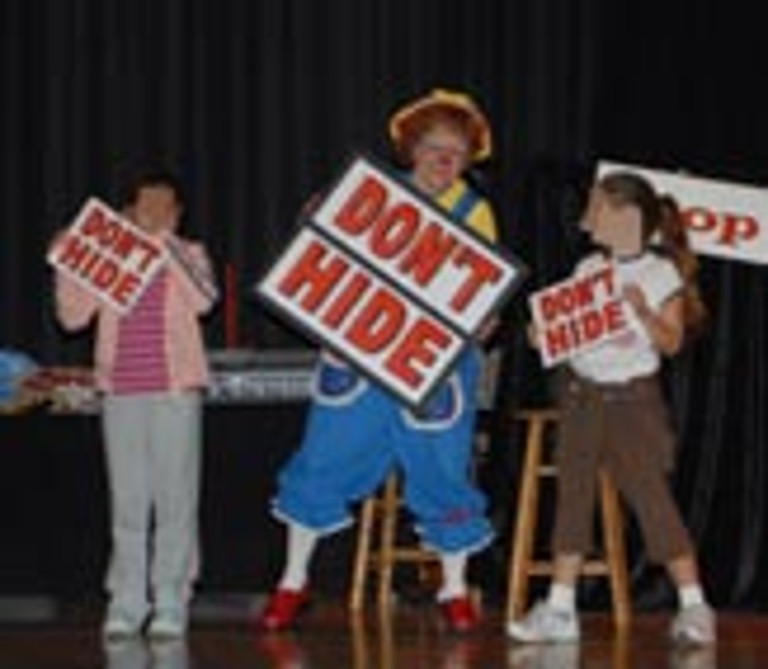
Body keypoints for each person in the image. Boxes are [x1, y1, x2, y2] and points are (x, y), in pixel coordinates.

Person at [257, 89, 499, 634]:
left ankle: (454, 589)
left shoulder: (474, 210)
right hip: (362, 352)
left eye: (456, 153)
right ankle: (292, 583)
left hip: (431, 363)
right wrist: (316, 218)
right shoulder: (371, 196)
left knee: (443, 466)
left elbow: (482, 291)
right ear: (411, 149)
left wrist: (486, 319)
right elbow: (318, 251)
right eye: (434, 148)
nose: (443, 160)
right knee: (322, 458)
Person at [507, 171, 716, 645]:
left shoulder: (659, 274)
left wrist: (642, 312)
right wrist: (542, 336)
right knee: (573, 498)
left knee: (651, 499)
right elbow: (563, 330)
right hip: (582, 396)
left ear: (627, 216)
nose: (587, 217)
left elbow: (672, 342)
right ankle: (560, 608)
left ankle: (695, 606)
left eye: (596, 207)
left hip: (631, 402)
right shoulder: (586, 269)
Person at [52, 169, 218, 640]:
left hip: (174, 392)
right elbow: (71, 316)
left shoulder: (189, 254)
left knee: (175, 500)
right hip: (122, 391)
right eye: (146, 207)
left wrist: (163, 246)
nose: (155, 216)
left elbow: (204, 300)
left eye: (165, 208)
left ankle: (171, 598)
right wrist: (73, 259)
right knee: (127, 503)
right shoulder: (108, 259)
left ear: (178, 214)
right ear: (126, 211)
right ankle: (126, 598)